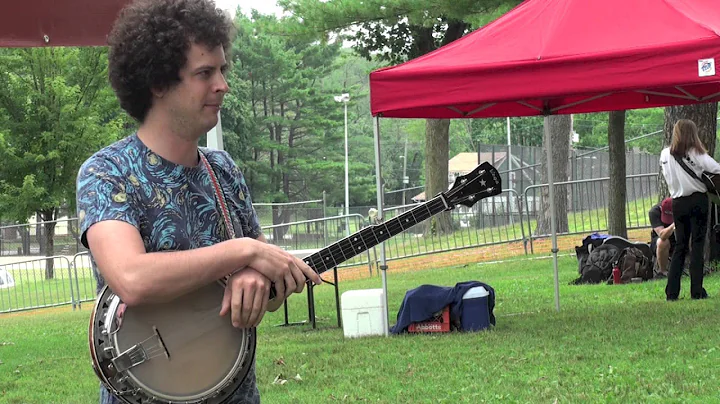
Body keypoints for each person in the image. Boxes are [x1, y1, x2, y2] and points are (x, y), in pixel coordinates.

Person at [75, 1, 322, 403]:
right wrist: (243, 251)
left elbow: (266, 292)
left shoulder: (222, 168)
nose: (222, 84)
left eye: (223, 70)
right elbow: (131, 278)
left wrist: (259, 279)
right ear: (158, 82)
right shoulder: (107, 172)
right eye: (204, 73)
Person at [659, 119, 720, 300]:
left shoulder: (664, 154)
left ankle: (672, 292)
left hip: (677, 202)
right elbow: (716, 169)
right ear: (693, 133)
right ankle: (696, 291)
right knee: (698, 246)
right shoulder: (697, 153)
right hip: (697, 200)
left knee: (680, 246)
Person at [648, 197, 675, 277]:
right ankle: (662, 272)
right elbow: (662, 235)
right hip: (659, 240)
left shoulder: (682, 210)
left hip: (679, 238)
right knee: (663, 242)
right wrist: (674, 224)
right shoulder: (654, 212)